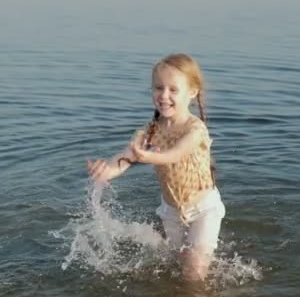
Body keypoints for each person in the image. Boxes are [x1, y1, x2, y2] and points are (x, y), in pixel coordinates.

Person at [87, 53, 225, 281]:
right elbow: (126, 156)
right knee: (176, 262)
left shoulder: (196, 129)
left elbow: (175, 154)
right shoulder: (151, 130)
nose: (164, 96)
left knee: (194, 272)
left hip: (204, 208)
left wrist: (147, 158)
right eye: (158, 88)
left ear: (192, 92)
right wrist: (107, 171)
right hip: (171, 211)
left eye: (173, 89)